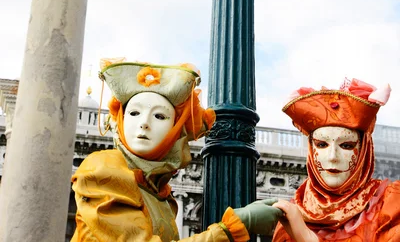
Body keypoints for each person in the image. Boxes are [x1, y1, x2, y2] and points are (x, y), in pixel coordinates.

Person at [71, 60, 282, 241]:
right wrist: (234, 227)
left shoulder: (159, 190)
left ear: (175, 130)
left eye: (159, 116)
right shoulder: (103, 170)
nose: (144, 123)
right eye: (134, 113)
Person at [271, 78, 400, 242]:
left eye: (346, 146)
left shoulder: (389, 206)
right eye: (322, 144)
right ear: (311, 149)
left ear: (363, 151)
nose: (332, 157)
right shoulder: (292, 213)